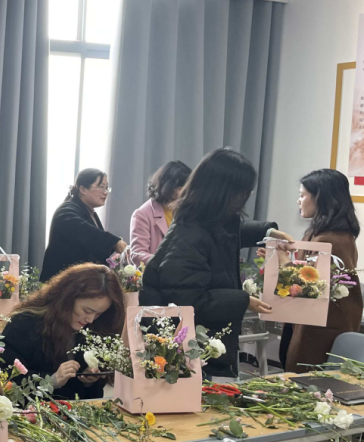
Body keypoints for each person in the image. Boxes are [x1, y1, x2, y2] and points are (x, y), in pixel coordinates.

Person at [141, 148, 290, 377]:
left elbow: (231, 232)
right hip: (188, 351)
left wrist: (267, 232)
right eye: (243, 192)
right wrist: (243, 300)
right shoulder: (189, 236)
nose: (246, 197)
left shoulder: (206, 221)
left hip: (203, 343)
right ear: (226, 193)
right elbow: (187, 301)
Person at [0, 263, 124, 400]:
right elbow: (6, 380)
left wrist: (89, 382)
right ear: (67, 299)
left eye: (99, 314)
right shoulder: (25, 323)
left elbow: (87, 397)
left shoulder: (94, 328)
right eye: (87, 311)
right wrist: (51, 380)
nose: (90, 319)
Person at [282, 169, 362, 373]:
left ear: (321, 198)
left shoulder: (329, 240)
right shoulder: (321, 234)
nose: (298, 201)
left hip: (322, 330)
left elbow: (307, 289)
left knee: (306, 382)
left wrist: (283, 262)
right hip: (313, 323)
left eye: (302, 195)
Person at [41, 169, 125, 282]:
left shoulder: (90, 213)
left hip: (80, 282)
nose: (105, 192)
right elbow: (82, 230)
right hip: (62, 285)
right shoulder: (66, 210)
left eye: (106, 188)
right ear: (83, 189)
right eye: (101, 187)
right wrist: (114, 242)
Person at [129, 161, 192, 265]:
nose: (185, 193)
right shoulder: (142, 214)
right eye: (181, 188)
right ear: (167, 187)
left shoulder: (187, 210)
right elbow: (137, 254)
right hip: (158, 272)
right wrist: (167, 264)